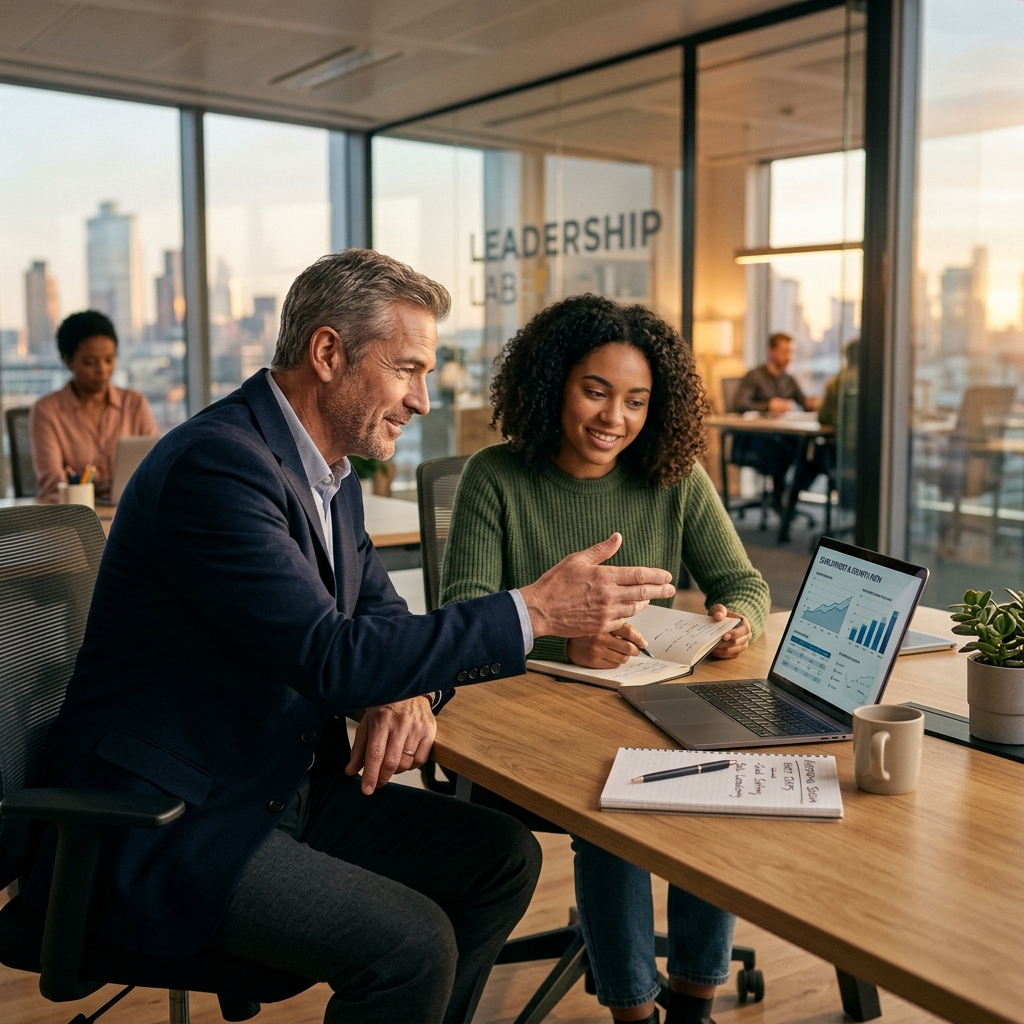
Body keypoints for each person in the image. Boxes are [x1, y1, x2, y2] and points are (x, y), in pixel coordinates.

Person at [22, 251, 677, 1024]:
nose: (423, 399)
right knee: (412, 945)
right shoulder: (219, 469)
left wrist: (399, 685)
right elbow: (333, 657)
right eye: (407, 369)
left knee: (499, 859)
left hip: (271, 783)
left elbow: (383, 629)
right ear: (328, 353)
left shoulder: (328, 475)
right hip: (176, 821)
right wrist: (532, 611)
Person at [439, 294, 771, 1024]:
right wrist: (565, 637)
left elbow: (744, 584)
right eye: (595, 391)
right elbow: (461, 622)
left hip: (651, 704)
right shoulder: (495, 479)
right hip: (525, 731)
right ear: (554, 382)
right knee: (616, 799)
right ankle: (631, 1014)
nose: (612, 418)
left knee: (711, 779)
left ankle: (693, 1005)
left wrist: (735, 622)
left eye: (635, 401)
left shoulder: (673, 478)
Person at [29, 309, 159, 501]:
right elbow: (52, 482)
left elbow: (156, 465)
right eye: (89, 362)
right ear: (67, 361)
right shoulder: (47, 411)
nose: (102, 370)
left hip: (128, 509)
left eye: (109, 360)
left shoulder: (134, 404)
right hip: (75, 514)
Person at [730, 331, 820, 511]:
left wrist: (819, 403)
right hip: (753, 440)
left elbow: (805, 404)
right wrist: (768, 406)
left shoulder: (789, 380)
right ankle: (781, 497)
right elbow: (739, 404)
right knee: (784, 451)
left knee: (808, 450)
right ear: (771, 352)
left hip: (781, 437)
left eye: (791, 352)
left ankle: (788, 495)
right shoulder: (755, 376)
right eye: (784, 352)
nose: (789, 357)